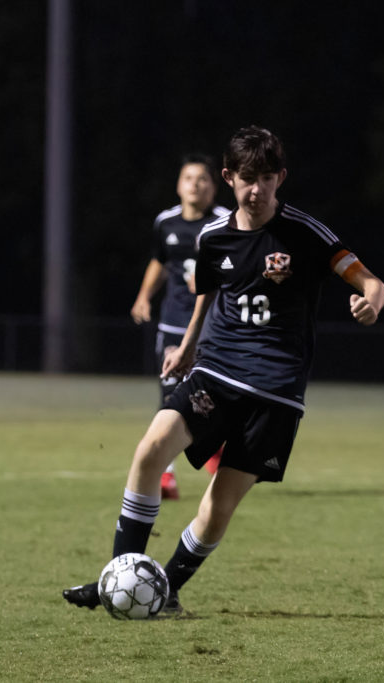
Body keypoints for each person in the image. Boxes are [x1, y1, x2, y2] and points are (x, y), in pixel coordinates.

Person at [63, 126, 384, 614]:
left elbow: (371, 281)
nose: (256, 190)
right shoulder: (213, 237)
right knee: (150, 451)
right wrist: (187, 346)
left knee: (217, 508)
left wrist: (371, 303)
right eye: (247, 178)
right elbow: (208, 293)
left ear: (281, 178)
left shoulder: (306, 233)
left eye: (266, 179)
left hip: (276, 392)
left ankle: (167, 591)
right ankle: (119, 579)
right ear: (229, 177)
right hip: (217, 371)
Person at [130, 155, 230, 499]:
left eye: (202, 179)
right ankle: (165, 475)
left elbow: (239, 266)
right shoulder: (166, 222)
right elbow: (159, 261)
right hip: (174, 323)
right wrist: (144, 296)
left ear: (214, 187)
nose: (195, 184)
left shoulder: (226, 222)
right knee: (170, 395)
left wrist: (213, 280)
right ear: (178, 185)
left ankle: (212, 445)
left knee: (215, 394)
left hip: (214, 325)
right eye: (189, 178)